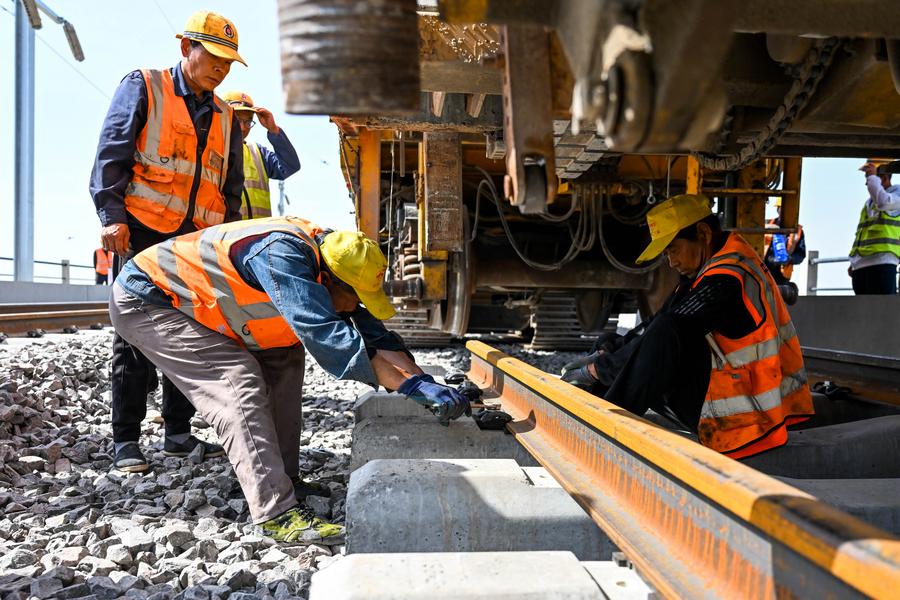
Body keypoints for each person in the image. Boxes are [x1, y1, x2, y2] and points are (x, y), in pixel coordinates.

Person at [108, 216, 470, 541]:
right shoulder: (283, 257)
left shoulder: (336, 259)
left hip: (195, 303)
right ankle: (275, 513)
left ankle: (285, 479)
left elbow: (376, 337)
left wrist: (427, 383)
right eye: (354, 298)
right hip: (150, 300)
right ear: (328, 280)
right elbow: (328, 338)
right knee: (236, 380)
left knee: (285, 355)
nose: (353, 306)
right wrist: (409, 387)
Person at [89, 10, 247, 472]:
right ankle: (126, 440)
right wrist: (111, 215)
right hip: (141, 232)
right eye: (213, 57)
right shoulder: (145, 86)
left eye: (227, 63)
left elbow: (230, 189)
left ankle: (178, 432)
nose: (220, 69)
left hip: (195, 242)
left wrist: (227, 242)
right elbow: (111, 153)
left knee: (190, 334)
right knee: (134, 335)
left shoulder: (226, 117)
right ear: (185, 48)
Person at [562, 194, 814, 460]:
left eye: (673, 250)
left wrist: (598, 370)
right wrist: (606, 355)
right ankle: (593, 402)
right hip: (731, 401)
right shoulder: (709, 267)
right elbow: (655, 323)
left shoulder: (729, 276)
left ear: (703, 233)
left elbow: (670, 330)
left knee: (666, 332)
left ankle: (602, 431)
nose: (672, 262)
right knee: (611, 341)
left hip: (746, 418)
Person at [221, 91, 301, 219]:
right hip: (224, 231)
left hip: (259, 231)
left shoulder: (257, 152)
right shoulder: (209, 149)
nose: (242, 127)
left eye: (248, 122)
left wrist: (273, 130)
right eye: (237, 120)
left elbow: (290, 166)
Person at [848, 161, 900, 294]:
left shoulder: (897, 194)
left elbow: (884, 202)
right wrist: (855, 261)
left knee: (884, 306)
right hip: (861, 265)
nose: (867, 184)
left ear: (884, 178)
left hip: (883, 262)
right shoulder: (869, 203)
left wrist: (872, 176)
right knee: (863, 306)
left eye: (870, 179)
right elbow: (862, 234)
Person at [763, 198, 806, 286]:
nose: (784, 212)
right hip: (763, 270)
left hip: (782, 277)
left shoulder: (797, 231)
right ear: (777, 209)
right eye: (781, 208)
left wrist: (789, 259)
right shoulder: (767, 224)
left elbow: (800, 254)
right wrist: (770, 259)